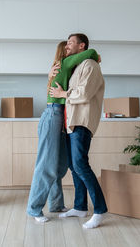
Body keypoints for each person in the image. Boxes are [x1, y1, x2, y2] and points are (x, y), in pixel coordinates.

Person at [27, 40, 100, 223]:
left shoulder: (66, 68)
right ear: (63, 51)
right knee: (46, 165)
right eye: (66, 47)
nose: (69, 49)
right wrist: (95, 56)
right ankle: (34, 209)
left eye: (70, 45)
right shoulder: (64, 63)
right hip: (53, 115)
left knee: (59, 165)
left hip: (60, 116)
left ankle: (56, 204)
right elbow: (90, 52)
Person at [49, 33, 107, 229]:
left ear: (82, 46)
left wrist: (62, 94)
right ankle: (80, 207)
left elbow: (85, 93)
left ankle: (99, 210)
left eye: (71, 43)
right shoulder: (76, 67)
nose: (67, 46)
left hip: (82, 123)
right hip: (71, 123)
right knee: (74, 167)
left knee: (81, 165)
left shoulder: (91, 66)